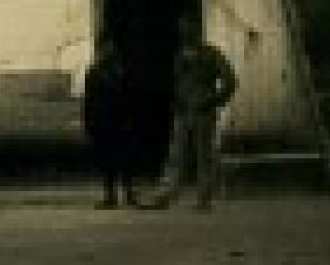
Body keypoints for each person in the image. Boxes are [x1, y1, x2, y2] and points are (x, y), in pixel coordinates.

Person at [154, 15, 238, 210]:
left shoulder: (211, 54)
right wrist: (176, 102)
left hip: (203, 112)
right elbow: (175, 84)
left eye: (188, 28)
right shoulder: (178, 57)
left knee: (204, 155)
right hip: (183, 112)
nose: (184, 33)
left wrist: (213, 101)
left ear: (197, 30)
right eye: (182, 29)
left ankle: (204, 198)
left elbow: (231, 81)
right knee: (176, 155)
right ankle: (166, 195)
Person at [80, 37, 142, 209]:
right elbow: (89, 101)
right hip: (103, 122)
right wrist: (89, 123)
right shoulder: (94, 73)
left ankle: (128, 193)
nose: (108, 51)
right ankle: (111, 195)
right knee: (107, 161)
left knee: (125, 159)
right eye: (105, 48)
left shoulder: (122, 71)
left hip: (120, 121)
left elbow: (131, 97)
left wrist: (132, 119)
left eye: (110, 47)